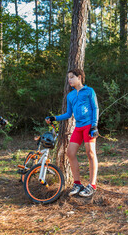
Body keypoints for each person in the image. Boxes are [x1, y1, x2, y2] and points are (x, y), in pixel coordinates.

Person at [45, 69, 99, 197]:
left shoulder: (89, 91)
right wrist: (54, 118)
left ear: (79, 77)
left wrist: (94, 125)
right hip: (78, 127)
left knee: (90, 153)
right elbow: (69, 114)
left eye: (71, 77)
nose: (69, 80)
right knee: (70, 153)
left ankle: (92, 185)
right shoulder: (71, 95)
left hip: (89, 126)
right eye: (68, 78)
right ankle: (77, 183)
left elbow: (95, 107)